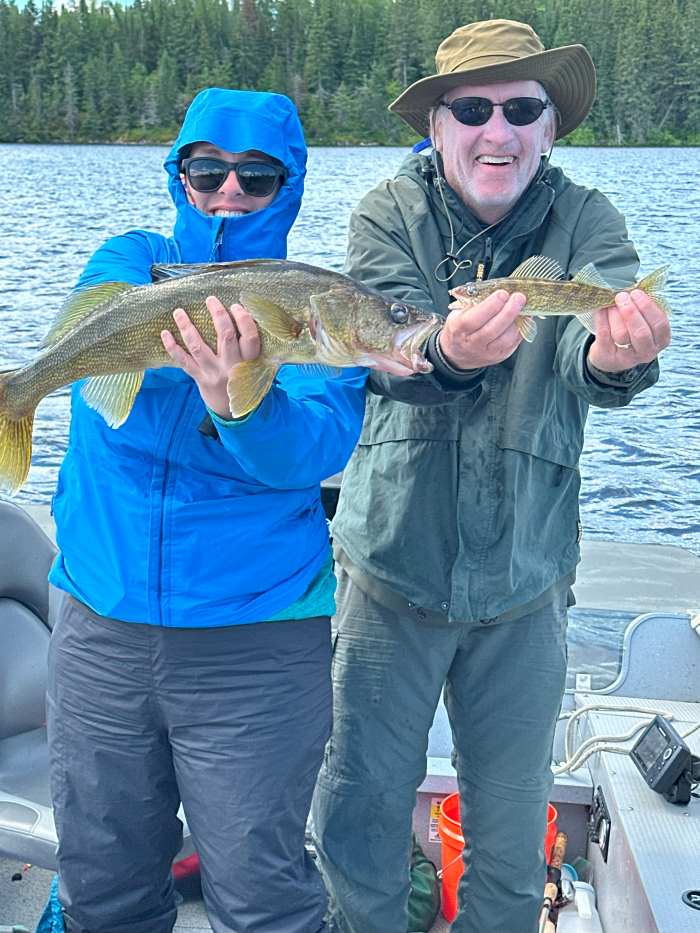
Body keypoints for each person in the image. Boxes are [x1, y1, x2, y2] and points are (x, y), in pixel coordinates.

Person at [311, 19, 671, 933]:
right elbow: (390, 351)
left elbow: (594, 358)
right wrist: (447, 350)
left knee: (512, 836)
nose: (497, 131)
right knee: (358, 814)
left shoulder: (589, 220)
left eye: (522, 109)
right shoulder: (387, 215)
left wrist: (621, 353)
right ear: (436, 126)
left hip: (526, 579)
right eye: (472, 109)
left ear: (551, 128)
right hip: (391, 569)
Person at [46, 88, 366, 933]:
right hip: (99, 624)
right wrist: (189, 367)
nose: (229, 191)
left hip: (255, 641)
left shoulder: (317, 304)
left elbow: (309, 452)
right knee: (102, 876)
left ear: (287, 186)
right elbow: (100, 383)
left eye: (256, 176)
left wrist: (239, 404)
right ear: (179, 173)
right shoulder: (132, 258)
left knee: (262, 890)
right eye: (208, 170)